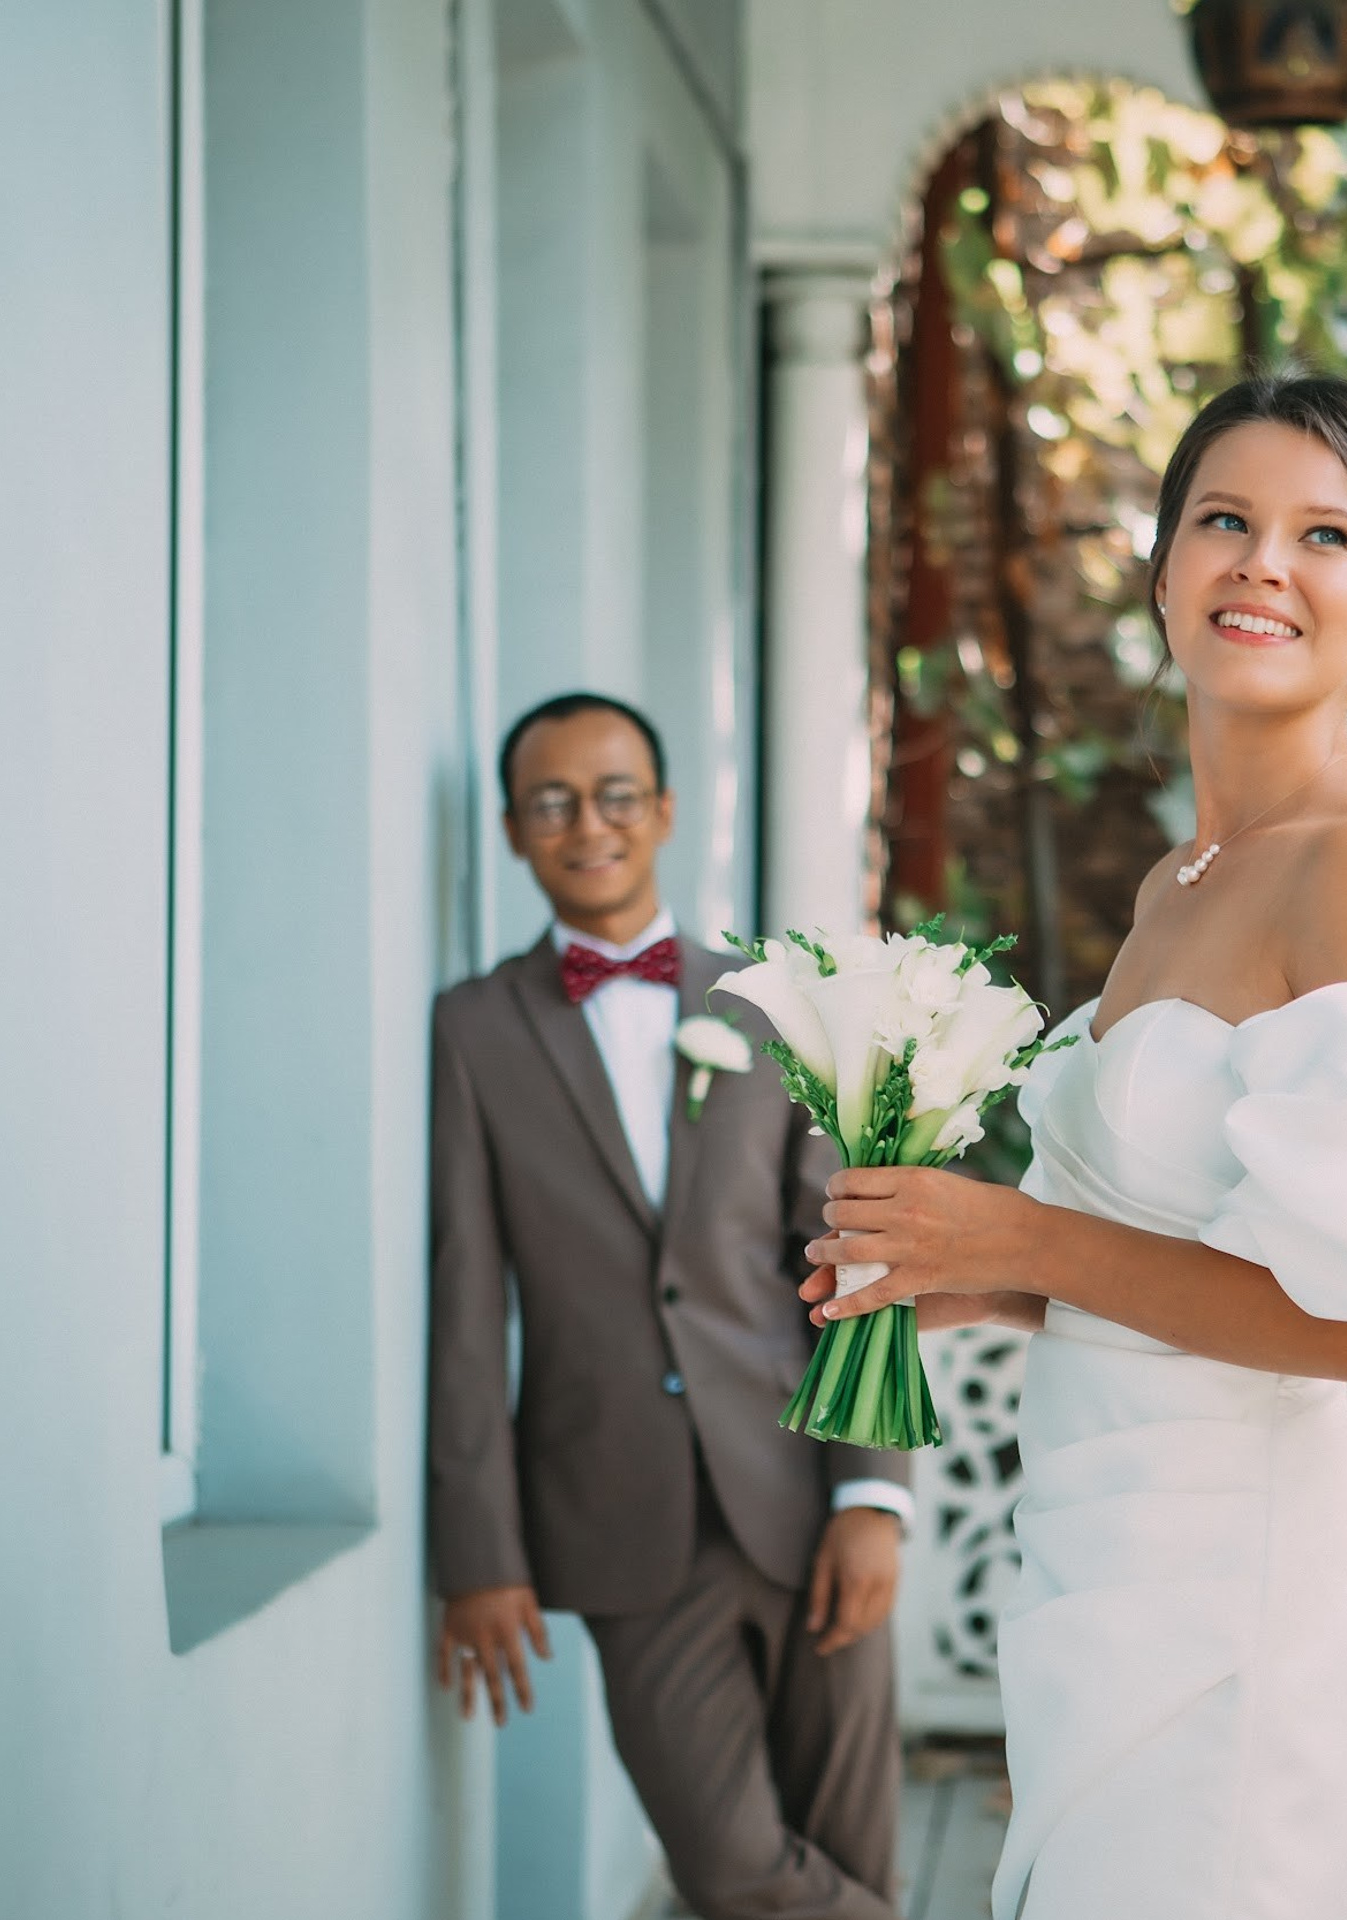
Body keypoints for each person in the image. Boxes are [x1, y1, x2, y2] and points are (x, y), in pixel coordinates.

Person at [798, 373, 1347, 1920]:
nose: (1260, 564)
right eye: (1223, 521)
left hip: (1246, 1611)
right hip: (1105, 1576)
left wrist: (1022, 1239)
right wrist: (977, 1288)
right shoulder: (1184, 878)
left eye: (1326, 536)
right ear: (1162, 569)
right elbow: (1217, 1261)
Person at [428, 693, 912, 1920]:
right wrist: (479, 1555)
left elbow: (849, 1255)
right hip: (621, 1523)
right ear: (513, 830)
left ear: (664, 813)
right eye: (553, 803)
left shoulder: (775, 1004)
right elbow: (467, 1306)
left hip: (804, 1492)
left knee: (853, 1846)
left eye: (614, 795)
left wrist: (872, 1495)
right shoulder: (474, 1031)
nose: (586, 823)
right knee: (734, 1867)